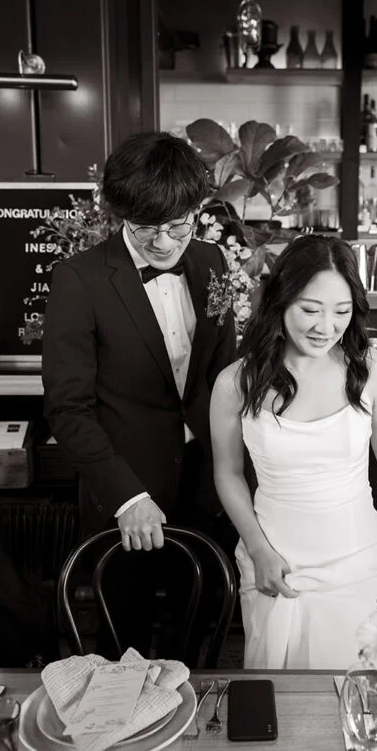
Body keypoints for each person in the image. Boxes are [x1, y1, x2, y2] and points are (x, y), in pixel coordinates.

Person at [210, 235, 377, 669]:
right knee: (282, 694)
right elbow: (228, 472)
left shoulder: (371, 368)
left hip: (358, 562)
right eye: (310, 310)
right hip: (276, 561)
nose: (325, 327)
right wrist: (258, 549)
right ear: (279, 302)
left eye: (341, 312)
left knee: (364, 690)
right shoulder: (236, 383)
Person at [42, 131, 236, 658]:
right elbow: (67, 409)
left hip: (206, 479)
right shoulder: (79, 280)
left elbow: (224, 375)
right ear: (119, 216)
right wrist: (127, 497)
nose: (165, 243)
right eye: (146, 228)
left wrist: (233, 469)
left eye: (178, 226)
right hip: (125, 486)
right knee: (123, 636)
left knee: (199, 627)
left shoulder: (212, 261)